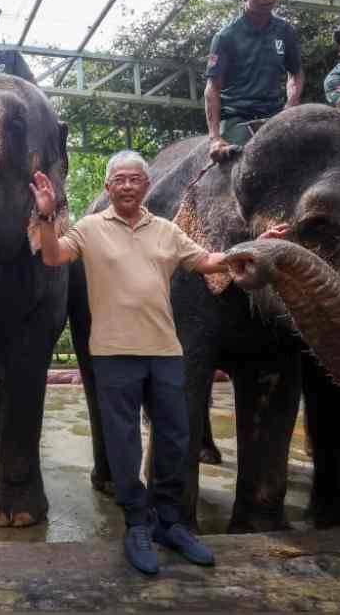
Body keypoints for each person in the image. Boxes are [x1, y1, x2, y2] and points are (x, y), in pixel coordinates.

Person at [30, 150, 235, 576]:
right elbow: (51, 257)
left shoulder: (167, 230)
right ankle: (137, 524)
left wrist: (258, 245)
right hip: (112, 354)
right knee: (123, 444)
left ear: (146, 187)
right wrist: (47, 216)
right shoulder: (89, 229)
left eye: (134, 179)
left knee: (177, 439)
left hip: (164, 352)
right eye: (118, 180)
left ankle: (170, 524)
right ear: (108, 188)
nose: (126, 186)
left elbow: (208, 262)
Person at [204, 0, 303, 163]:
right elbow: (213, 88)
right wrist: (215, 138)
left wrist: (291, 105)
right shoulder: (226, 37)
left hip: (275, 117)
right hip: (237, 120)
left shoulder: (285, 31)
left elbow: (295, 74)